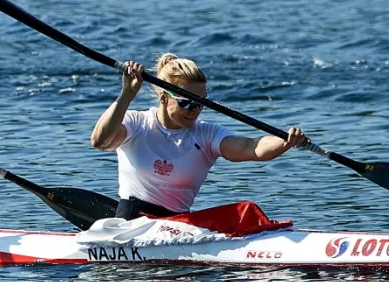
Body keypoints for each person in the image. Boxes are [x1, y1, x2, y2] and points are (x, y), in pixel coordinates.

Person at [90, 53, 308, 218]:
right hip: (131, 225)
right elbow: (100, 141)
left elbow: (251, 147)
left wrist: (285, 140)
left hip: (176, 228)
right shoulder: (137, 123)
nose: (194, 110)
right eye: (186, 102)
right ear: (164, 98)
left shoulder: (206, 134)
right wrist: (127, 95)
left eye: (201, 103)